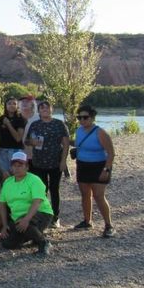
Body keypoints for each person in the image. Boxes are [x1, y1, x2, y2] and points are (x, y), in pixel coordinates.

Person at [0, 151, 54, 255]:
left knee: (23, 223)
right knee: (7, 244)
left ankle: (44, 242)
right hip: (18, 218)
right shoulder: (7, 182)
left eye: (20, 165)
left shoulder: (34, 180)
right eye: (14, 166)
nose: (17, 168)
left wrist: (26, 219)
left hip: (41, 213)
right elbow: (2, 205)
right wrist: (5, 225)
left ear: (27, 167)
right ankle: (33, 236)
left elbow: (36, 202)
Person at [73, 105, 116, 238]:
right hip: (82, 165)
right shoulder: (79, 131)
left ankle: (109, 225)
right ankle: (87, 221)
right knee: (85, 194)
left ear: (92, 118)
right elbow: (78, 144)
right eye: (79, 117)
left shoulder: (100, 132)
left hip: (98, 166)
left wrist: (106, 169)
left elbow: (111, 153)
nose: (82, 120)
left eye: (85, 117)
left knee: (98, 195)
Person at [26, 101, 69, 228]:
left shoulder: (59, 124)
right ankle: (43, 216)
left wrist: (63, 161)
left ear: (52, 109)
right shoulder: (35, 124)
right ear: (38, 111)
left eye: (47, 107)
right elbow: (26, 140)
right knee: (41, 191)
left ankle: (55, 217)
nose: (44, 109)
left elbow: (66, 144)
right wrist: (31, 142)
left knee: (54, 189)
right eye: (41, 108)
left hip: (55, 163)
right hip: (38, 163)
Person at [0, 97, 26, 172]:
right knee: (4, 174)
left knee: (16, 173)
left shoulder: (20, 119)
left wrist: (8, 124)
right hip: (2, 150)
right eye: (9, 103)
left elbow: (18, 138)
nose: (12, 105)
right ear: (5, 106)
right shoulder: (1, 118)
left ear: (17, 106)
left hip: (15, 150)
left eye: (14, 104)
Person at [19, 96, 40, 165]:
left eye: (27, 101)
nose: (24, 103)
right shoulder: (17, 117)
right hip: (21, 155)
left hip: (37, 155)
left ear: (32, 104)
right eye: (22, 101)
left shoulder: (39, 118)